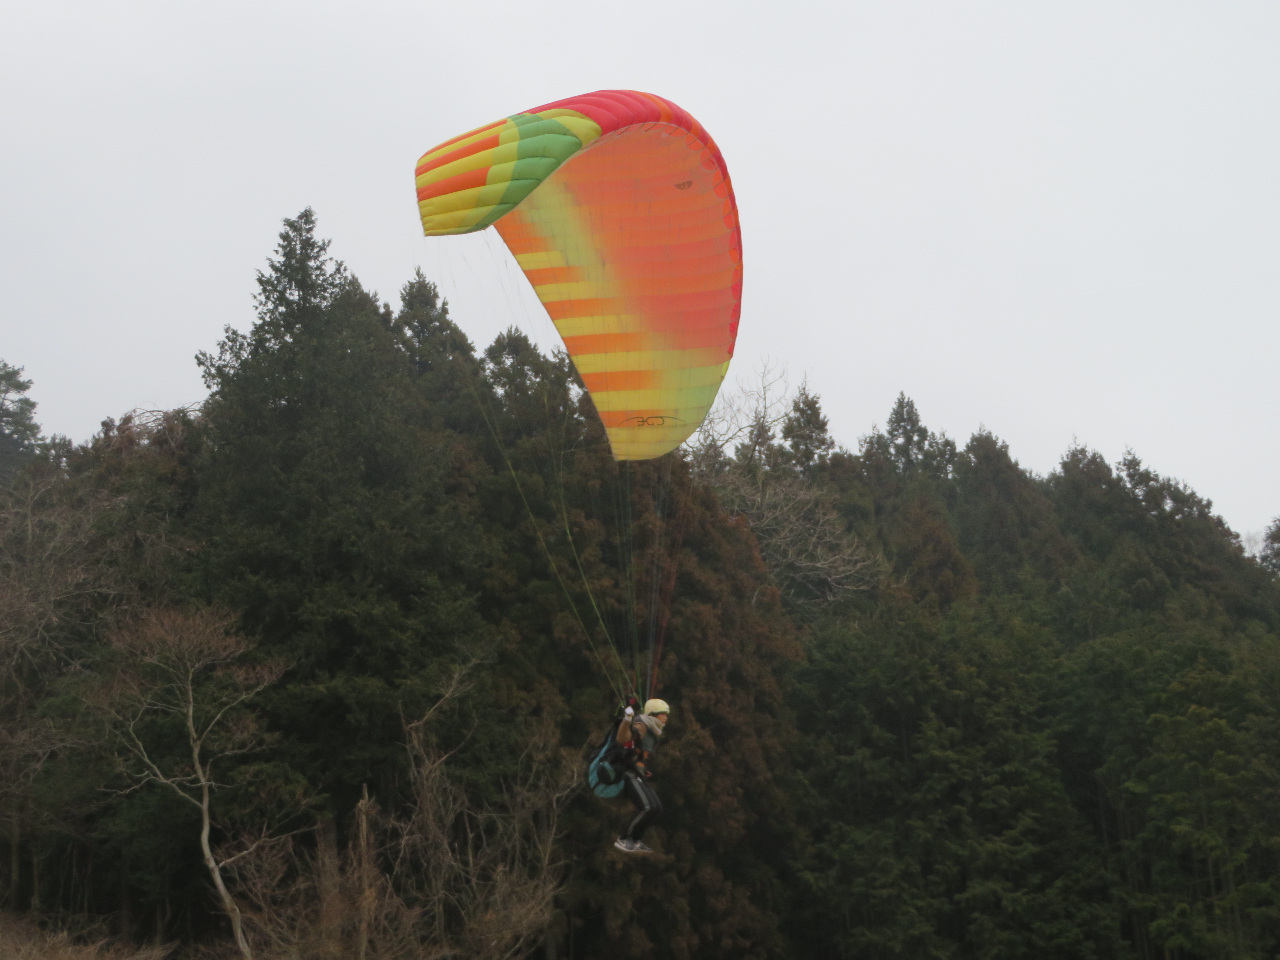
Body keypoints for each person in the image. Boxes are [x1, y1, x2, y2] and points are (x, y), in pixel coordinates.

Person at [613, 698, 669, 854]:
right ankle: (623, 838)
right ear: (653, 714)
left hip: (638, 772)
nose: (665, 718)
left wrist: (644, 769)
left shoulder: (653, 729)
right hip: (627, 772)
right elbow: (622, 739)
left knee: (656, 808)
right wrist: (627, 720)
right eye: (663, 714)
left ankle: (636, 840)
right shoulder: (642, 725)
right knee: (646, 807)